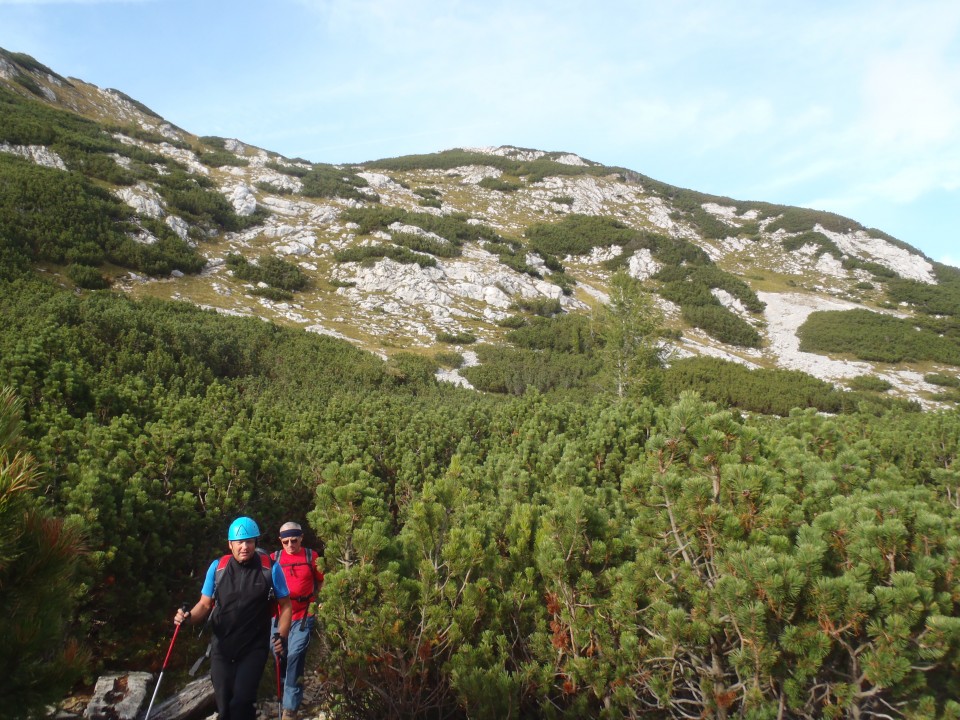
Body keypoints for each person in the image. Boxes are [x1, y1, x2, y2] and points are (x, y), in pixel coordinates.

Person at [174, 516, 292, 720]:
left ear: (255, 542)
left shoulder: (270, 569)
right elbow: (204, 604)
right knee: (225, 706)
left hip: (254, 647)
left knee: (242, 703)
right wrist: (187, 619)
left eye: (249, 541)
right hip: (222, 646)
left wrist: (281, 635)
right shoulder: (218, 568)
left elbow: (286, 606)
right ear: (230, 544)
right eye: (239, 542)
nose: (244, 547)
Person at [270, 521, 324, 720]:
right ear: (281, 541)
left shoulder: (312, 557)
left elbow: (322, 579)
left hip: (303, 615)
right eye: (286, 541)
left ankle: (290, 708)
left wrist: (318, 600)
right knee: (278, 653)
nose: (290, 545)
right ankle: (287, 686)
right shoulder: (273, 559)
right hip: (278, 616)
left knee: (295, 653)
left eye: (294, 540)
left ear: (301, 537)